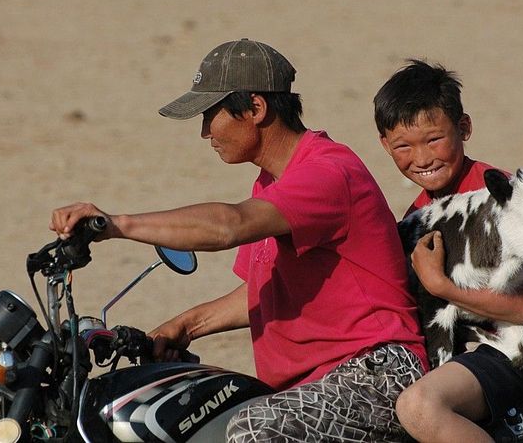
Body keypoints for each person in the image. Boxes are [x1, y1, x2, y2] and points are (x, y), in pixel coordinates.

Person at [50, 39, 427, 442]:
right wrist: (185, 325)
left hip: (377, 373)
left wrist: (114, 224)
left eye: (210, 115)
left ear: (256, 108)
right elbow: (260, 291)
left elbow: (229, 225)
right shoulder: (270, 183)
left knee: (251, 428)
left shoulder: (328, 174)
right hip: (311, 387)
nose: (203, 132)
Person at [373, 59, 523, 442]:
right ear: (384, 145)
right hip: (453, 347)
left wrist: (441, 286)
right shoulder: (420, 213)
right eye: (404, 146)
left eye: (434, 139)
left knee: (419, 406)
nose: (422, 158)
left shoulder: (503, 199)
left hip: (511, 352)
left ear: (464, 127)